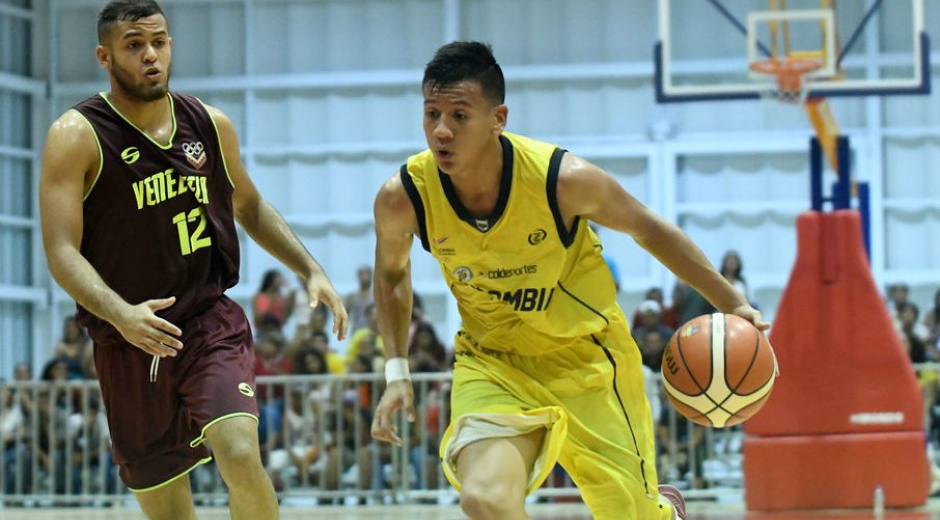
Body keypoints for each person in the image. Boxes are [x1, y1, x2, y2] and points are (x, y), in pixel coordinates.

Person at [369, 41, 767, 520]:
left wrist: (732, 301)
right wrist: (396, 370)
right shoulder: (405, 195)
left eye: (459, 115)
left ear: (498, 118)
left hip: (588, 360)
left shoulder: (561, 179)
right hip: (495, 363)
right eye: (431, 113)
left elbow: (649, 228)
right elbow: (392, 274)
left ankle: (663, 509)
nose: (441, 130)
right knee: (485, 499)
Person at [38, 1, 348, 518]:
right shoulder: (76, 136)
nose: (150, 55)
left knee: (242, 455)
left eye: (158, 42)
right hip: (128, 340)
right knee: (168, 510)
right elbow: (61, 252)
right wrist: (120, 312)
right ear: (105, 57)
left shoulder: (209, 124)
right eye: (134, 46)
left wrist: (310, 268)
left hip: (207, 321)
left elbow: (247, 205)